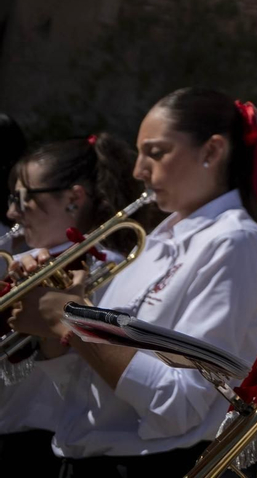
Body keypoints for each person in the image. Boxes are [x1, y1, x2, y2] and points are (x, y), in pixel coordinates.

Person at [2, 88, 257, 476]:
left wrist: (70, 318)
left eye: (155, 153)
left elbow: (181, 406)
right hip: (84, 458)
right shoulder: (158, 238)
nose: (138, 171)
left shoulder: (234, 243)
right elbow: (84, 380)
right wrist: (51, 319)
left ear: (211, 152)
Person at [0, 134, 142, 468]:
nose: (11, 212)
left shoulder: (109, 267)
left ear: (73, 199)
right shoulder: (24, 258)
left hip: (47, 443)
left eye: (21, 199)